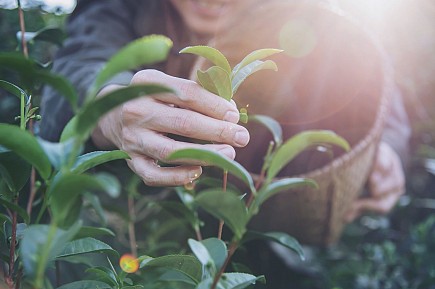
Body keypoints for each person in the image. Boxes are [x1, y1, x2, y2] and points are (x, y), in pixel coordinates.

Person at [39, 0, 409, 240]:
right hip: (156, 217)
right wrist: (111, 108)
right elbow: (81, 63)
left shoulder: (302, 13)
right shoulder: (117, 6)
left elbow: (375, 82)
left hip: (272, 220)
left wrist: (388, 149)